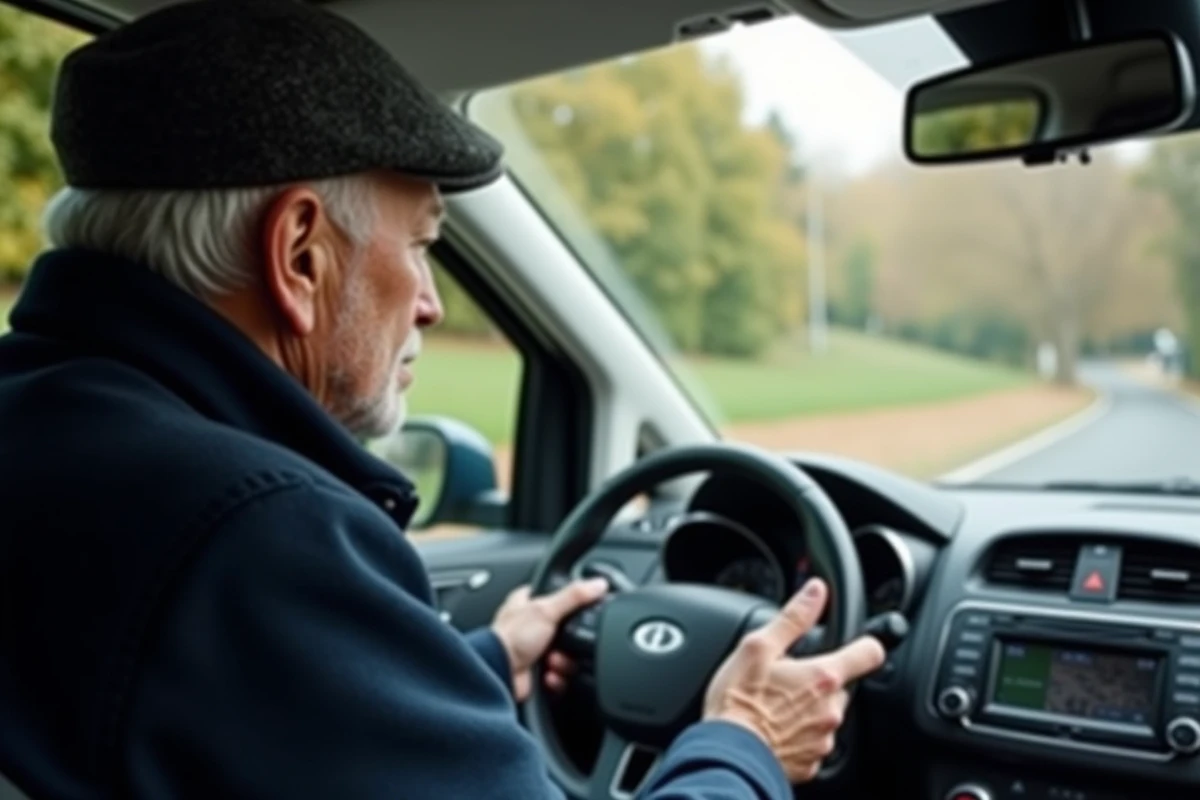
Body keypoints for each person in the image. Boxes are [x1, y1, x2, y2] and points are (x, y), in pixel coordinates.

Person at [0, 1, 885, 798]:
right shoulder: (256, 534)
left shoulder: (47, 432)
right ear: (300, 254)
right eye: (420, 245)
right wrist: (745, 742)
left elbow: (268, 723)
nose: (431, 301)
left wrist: (484, 661)